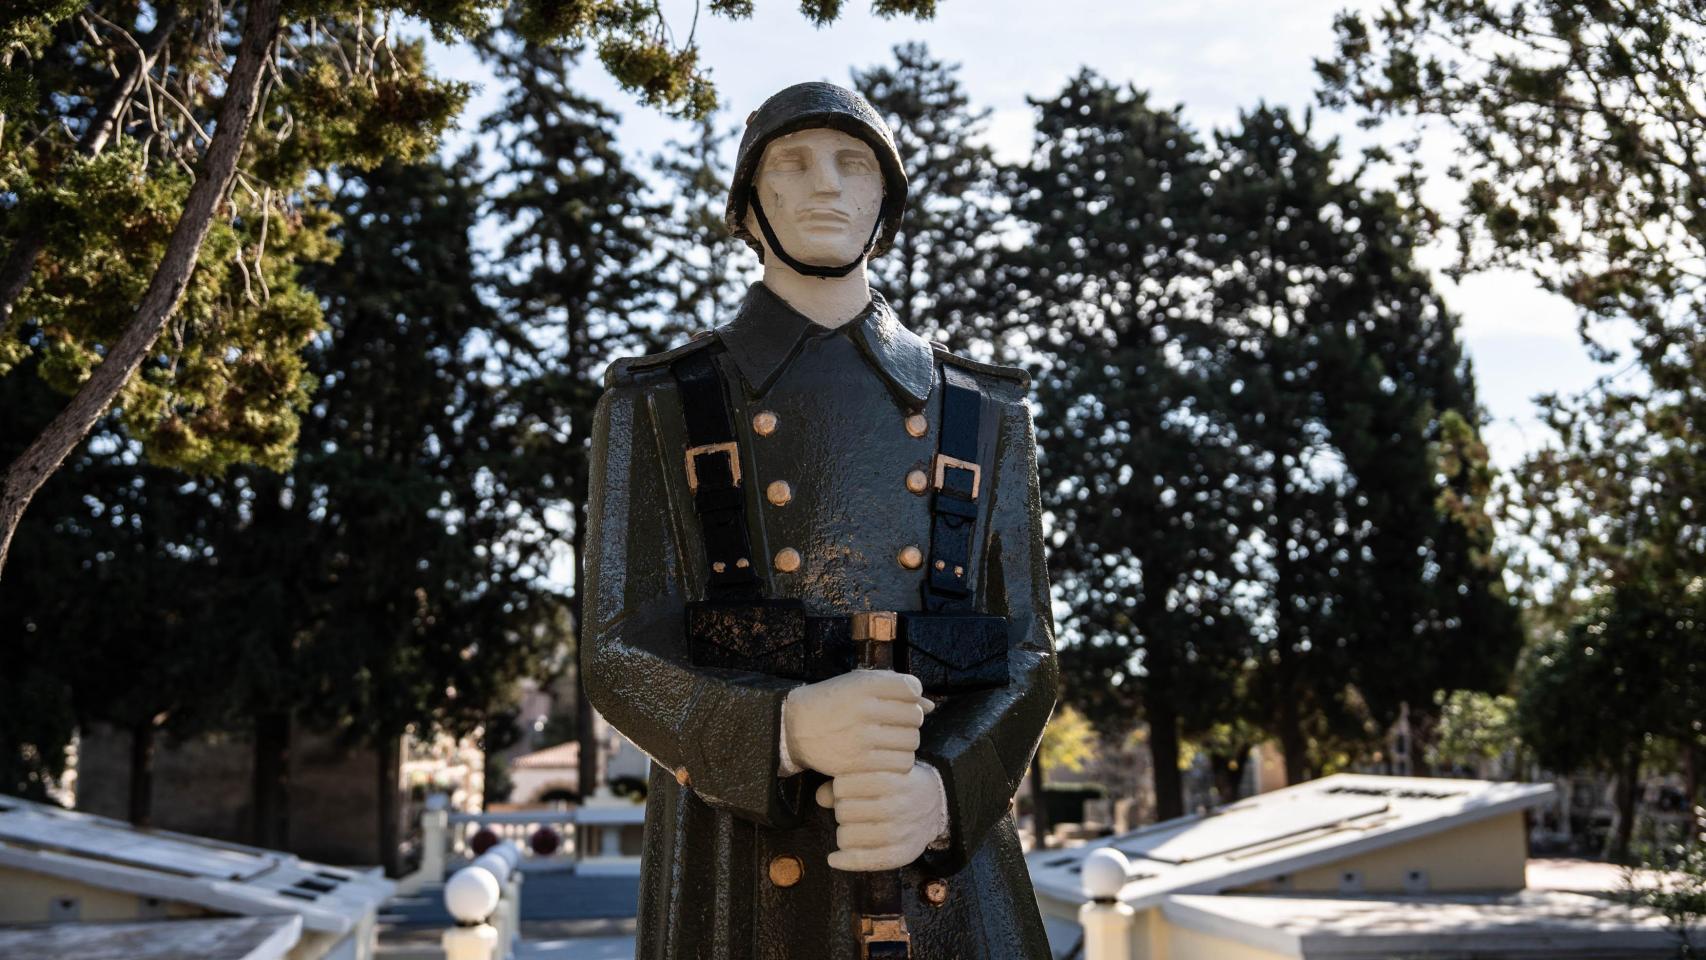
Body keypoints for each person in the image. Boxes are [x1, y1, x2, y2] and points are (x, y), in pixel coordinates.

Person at [583, 80, 1057, 959]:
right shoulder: (659, 405)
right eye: (792, 164)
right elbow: (617, 652)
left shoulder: (983, 410)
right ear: (750, 209)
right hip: (739, 866)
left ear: (887, 200)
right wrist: (787, 731)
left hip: (944, 872)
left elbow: (1023, 651)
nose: (827, 186)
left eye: (854, 164)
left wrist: (946, 793)